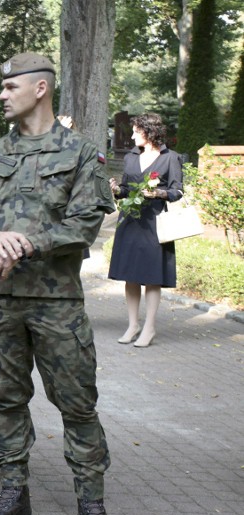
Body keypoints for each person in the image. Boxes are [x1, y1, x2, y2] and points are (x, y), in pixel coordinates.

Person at [0, 53, 118, 515]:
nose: (2, 95)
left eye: (10, 87)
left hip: (57, 304)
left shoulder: (78, 152)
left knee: (77, 405)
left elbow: (84, 222)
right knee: (6, 400)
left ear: (41, 89)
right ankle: (13, 491)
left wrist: (24, 243)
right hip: (0, 302)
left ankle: (91, 502)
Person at [108, 113, 183, 348]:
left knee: (151, 276)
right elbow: (125, 188)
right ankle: (133, 325)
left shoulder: (169, 158)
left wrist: (160, 193)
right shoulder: (131, 157)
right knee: (130, 275)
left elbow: (178, 191)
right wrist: (115, 189)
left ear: (149, 132)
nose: (131, 136)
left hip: (154, 222)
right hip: (130, 220)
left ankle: (149, 327)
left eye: (135, 132)